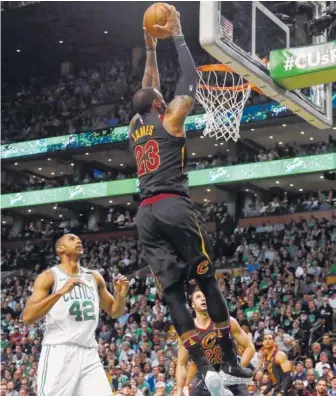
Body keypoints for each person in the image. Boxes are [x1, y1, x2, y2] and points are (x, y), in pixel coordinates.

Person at [129, 6, 252, 395]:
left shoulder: (135, 127)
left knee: (173, 294)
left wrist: (150, 51)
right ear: (161, 105)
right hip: (172, 205)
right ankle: (228, 362)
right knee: (205, 277)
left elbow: (148, 88)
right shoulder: (172, 119)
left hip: (145, 215)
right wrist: (179, 35)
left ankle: (204, 366)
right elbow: (190, 78)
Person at [22, 233, 130, 396]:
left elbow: (115, 312)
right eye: (72, 239)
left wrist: (121, 295)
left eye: (79, 239)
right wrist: (60, 292)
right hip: (60, 350)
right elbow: (28, 317)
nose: (78, 240)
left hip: (89, 351)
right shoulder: (49, 277)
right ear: (60, 249)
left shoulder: (94, 277)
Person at [176, 288, 256, 396]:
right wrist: (179, 390)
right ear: (193, 304)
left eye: (205, 296)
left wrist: (235, 369)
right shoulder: (188, 332)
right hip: (205, 378)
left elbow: (249, 347)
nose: (203, 298)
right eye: (198, 297)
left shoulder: (227, 321)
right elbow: (181, 364)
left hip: (230, 377)